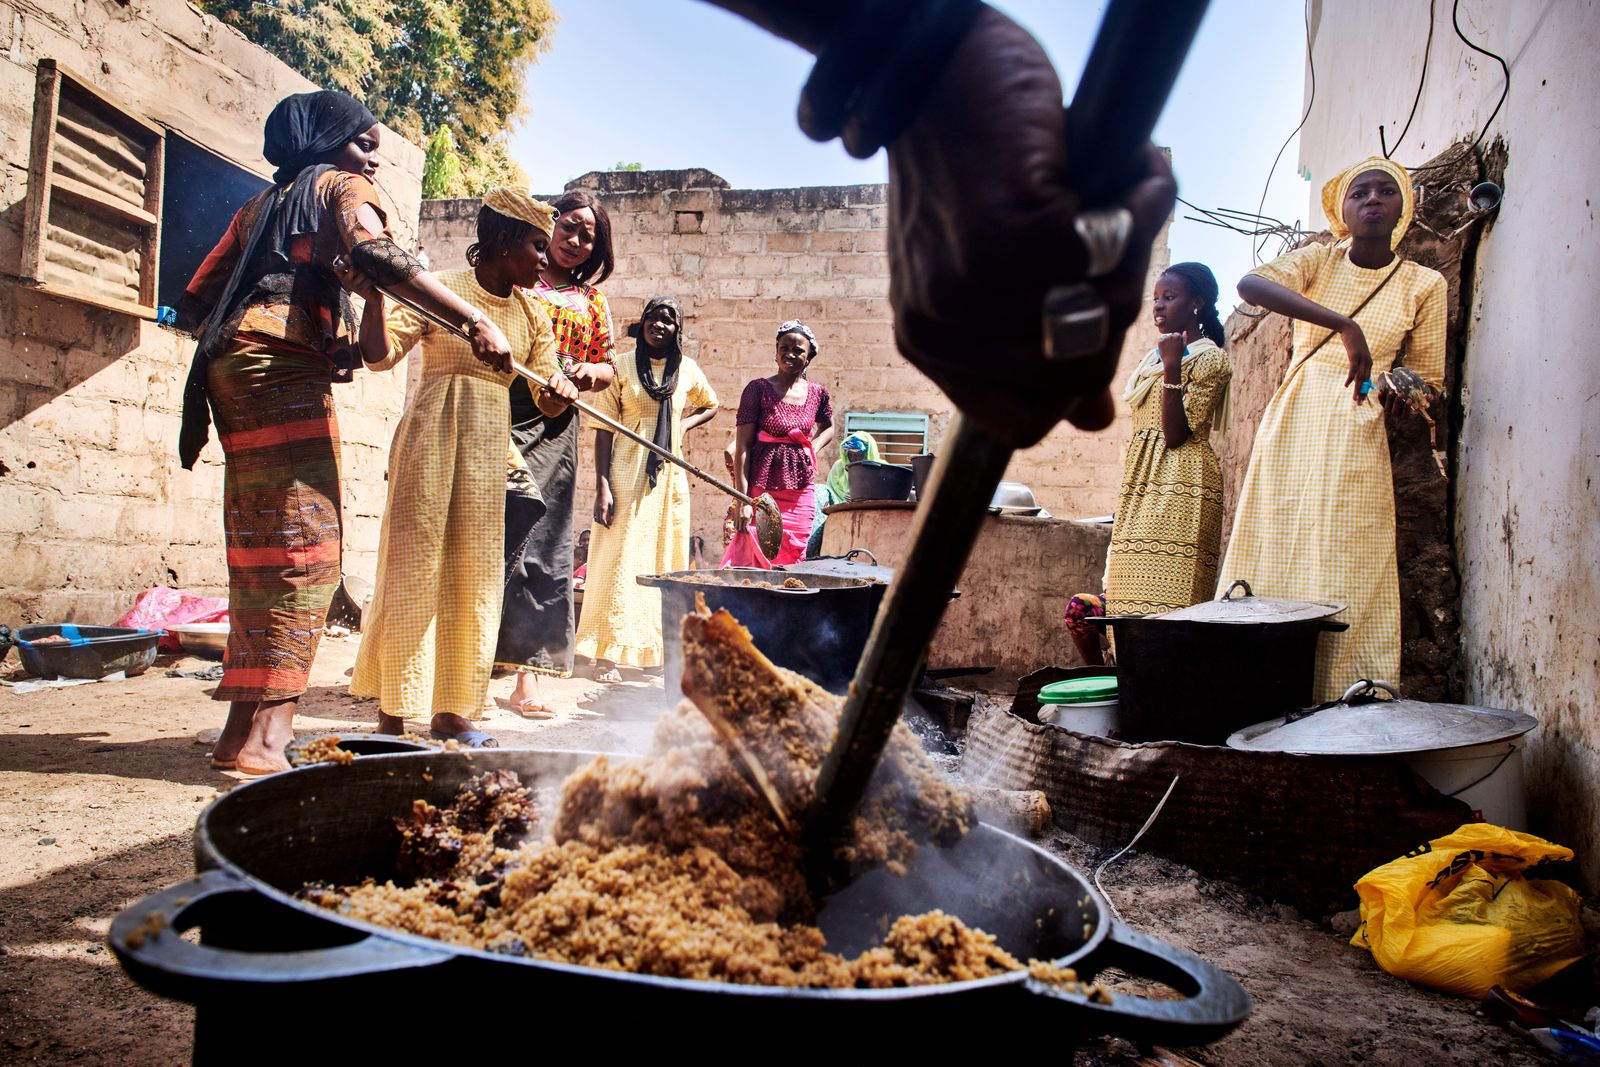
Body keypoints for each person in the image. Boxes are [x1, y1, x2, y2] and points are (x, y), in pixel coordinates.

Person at [179, 90, 515, 775]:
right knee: (309, 552)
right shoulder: (340, 187)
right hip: (282, 367)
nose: (372, 161)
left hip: (227, 368)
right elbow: (381, 253)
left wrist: (332, 289)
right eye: (364, 143)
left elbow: (197, 296)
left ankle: (237, 733)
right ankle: (267, 741)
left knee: (261, 550)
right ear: (327, 142)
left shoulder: (259, 206)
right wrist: (473, 319)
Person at [349, 190, 577, 746]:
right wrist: (375, 302)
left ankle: (452, 711)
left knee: (474, 578)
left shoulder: (532, 314)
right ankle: (394, 712)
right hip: (430, 443)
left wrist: (562, 389)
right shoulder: (440, 290)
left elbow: (547, 402)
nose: (544, 259)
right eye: (536, 246)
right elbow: (378, 357)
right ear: (503, 241)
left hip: (487, 455)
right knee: (413, 570)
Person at [1221, 157, 1448, 699]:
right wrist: (1344, 325)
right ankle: (1258, 690)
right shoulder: (1320, 260)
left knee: (1349, 554)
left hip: (1356, 421)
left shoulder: (1424, 283)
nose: (1372, 200)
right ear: (1342, 210)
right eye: (1359, 192)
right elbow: (1251, 283)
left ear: (1402, 206)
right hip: (1294, 417)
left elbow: (1430, 379)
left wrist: (1405, 391)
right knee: (1275, 545)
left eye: (1385, 191)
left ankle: (1349, 691)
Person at [497, 189, 617, 713]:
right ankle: (465, 659)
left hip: (555, 423)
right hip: (499, 405)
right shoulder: (513, 278)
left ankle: (529, 675)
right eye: (569, 227)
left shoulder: (591, 301)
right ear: (549, 224)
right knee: (487, 533)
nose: (575, 242)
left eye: (588, 238)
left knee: (542, 544)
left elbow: (609, 365)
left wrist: (590, 372)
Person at [574, 297, 719, 679]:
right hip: (625, 475)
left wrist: (683, 425)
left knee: (663, 561)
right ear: (643, 323)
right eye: (652, 318)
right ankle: (607, 654)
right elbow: (603, 430)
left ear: (677, 329)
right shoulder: (620, 367)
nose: (659, 325)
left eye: (668, 320)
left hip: (668, 482)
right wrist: (602, 486)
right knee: (619, 560)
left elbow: (711, 403)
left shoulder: (687, 370)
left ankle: (653, 653)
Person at [1104, 262, 1232, 616]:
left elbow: (1175, 435)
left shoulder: (1211, 359)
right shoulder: (1151, 360)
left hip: (1182, 482)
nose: (1158, 306)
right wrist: (1167, 362)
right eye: (1156, 298)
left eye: (1170, 297)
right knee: (1125, 599)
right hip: (1141, 482)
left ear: (1197, 303)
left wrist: (1173, 367)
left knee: (1171, 603)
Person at [731, 321, 835, 565]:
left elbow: (828, 426)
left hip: (800, 492)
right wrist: (743, 501)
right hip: (762, 492)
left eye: (798, 350)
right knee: (756, 559)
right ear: (775, 353)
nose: (790, 354)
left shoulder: (818, 393)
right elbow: (742, 447)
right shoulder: (757, 390)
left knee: (793, 556)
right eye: (784, 348)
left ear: (808, 357)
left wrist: (813, 447)